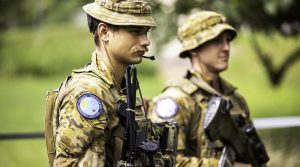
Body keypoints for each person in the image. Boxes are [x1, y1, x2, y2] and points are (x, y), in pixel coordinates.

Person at [44, 0, 159, 166]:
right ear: (104, 32)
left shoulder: (120, 88)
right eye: (135, 31)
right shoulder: (89, 93)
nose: (146, 41)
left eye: (146, 32)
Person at [148, 11, 268, 167]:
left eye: (227, 40)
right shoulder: (176, 100)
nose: (226, 48)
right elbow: (162, 162)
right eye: (217, 41)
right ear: (193, 48)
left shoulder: (235, 99)